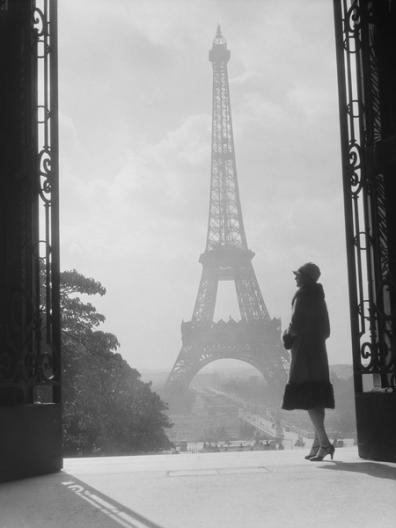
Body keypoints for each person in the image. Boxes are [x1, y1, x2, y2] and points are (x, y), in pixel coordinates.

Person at [281, 262, 335, 461]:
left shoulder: (303, 295)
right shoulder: (319, 298)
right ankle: (317, 445)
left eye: (298, 275)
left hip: (304, 353)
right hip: (318, 352)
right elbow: (327, 330)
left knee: (309, 399)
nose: (295, 278)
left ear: (305, 278)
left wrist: (287, 335)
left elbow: (295, 324)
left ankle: (325, 444)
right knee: (316, 397)